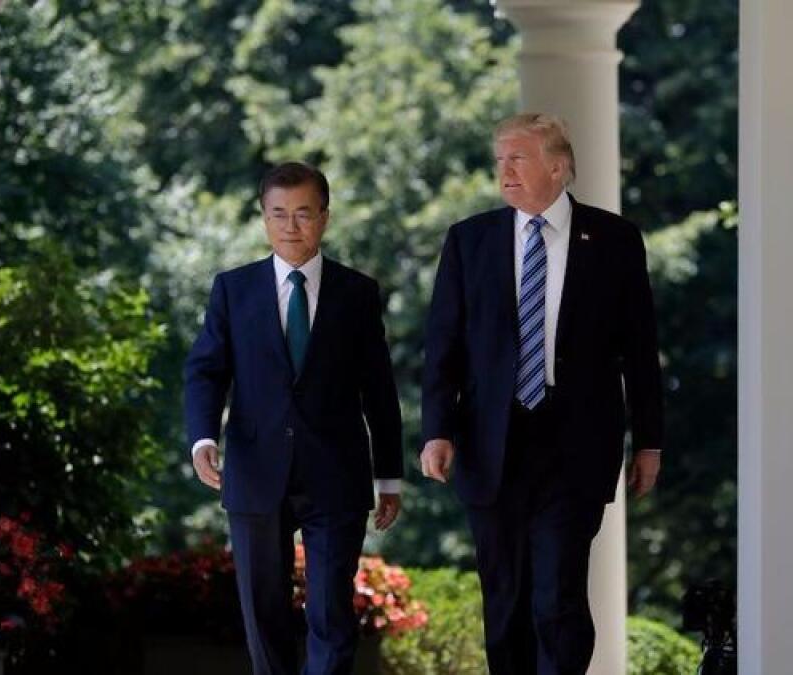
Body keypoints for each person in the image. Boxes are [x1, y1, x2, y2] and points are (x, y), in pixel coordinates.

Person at [420, 113, 664, 674]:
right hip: (490, 443)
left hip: (574, 444)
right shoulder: (469, 241)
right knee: (505, 603)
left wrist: (650, 441)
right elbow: (443, 347)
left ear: (558, 167)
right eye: (500, 159)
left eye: (518, 158)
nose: (504, 170)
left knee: (557, 598)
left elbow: (640, 350)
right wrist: (436, 429)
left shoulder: (614, 241)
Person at [184, 161, 403, 675]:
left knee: (330, 610)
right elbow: (205, 371)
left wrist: (388, 476)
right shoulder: (232, 290)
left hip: (335, 474)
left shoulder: (357, 293)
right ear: (263, 218)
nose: (290, 226)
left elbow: (379, 389)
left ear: (324, 218)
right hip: (256, 472)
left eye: (303, 214)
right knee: (264, 615)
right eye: (278, 214)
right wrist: (201, 439)